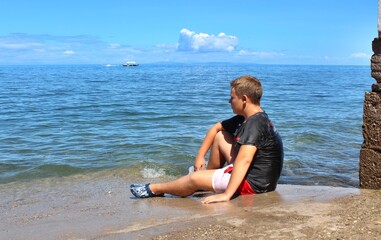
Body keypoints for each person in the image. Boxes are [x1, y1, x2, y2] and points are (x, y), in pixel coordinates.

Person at [130, 75, 283, 204]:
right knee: (220, 136)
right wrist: (200, 156)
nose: (229, 101)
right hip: (258, 177)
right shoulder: (251, 118)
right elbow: (216, 128)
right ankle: (208, 179)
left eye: (232, 97)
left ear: (244, 99)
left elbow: (245, 161)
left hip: (254, 185)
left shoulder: (254, 124)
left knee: (193, 178)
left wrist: (227, 195)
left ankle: (155, 189)